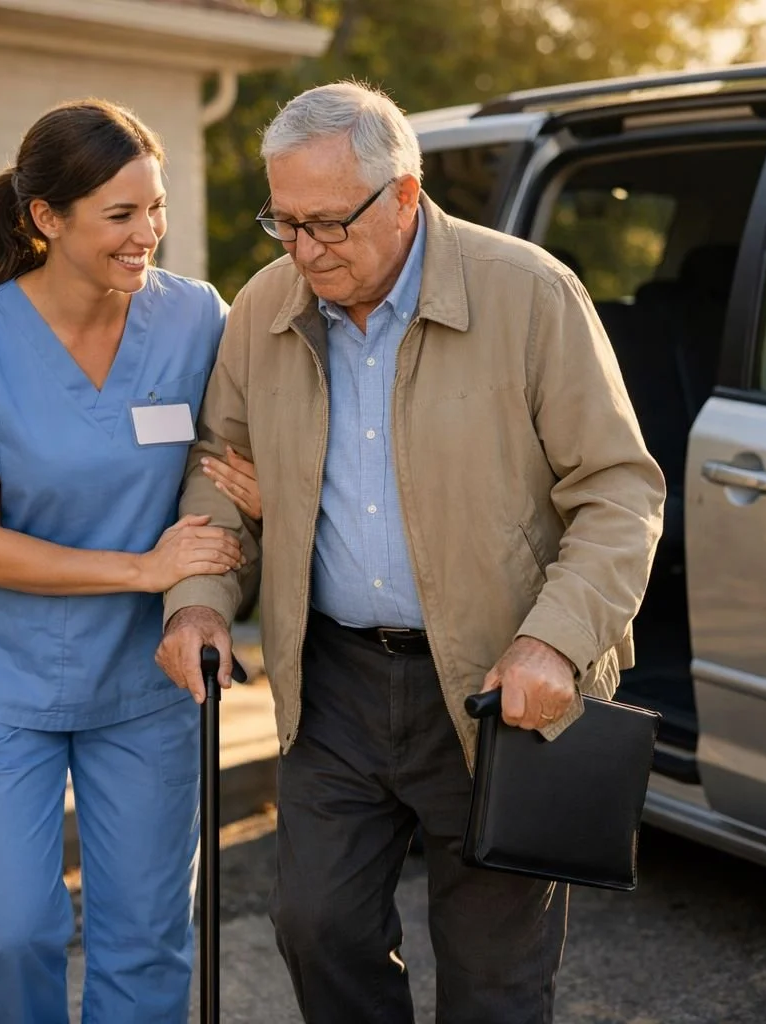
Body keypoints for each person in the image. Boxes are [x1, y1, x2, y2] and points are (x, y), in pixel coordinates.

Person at [157, 82, 665, 1023]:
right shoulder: (266, 309)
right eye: (284, 224)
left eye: (327, 225)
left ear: (402, 195)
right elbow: (217, 481)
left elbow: (619, 492)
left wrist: (554, 640)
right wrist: (196, 600)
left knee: (492, 976)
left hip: (494, 678)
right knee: (317, 928)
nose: (305, 251)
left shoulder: (531, 293)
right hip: (336, 681)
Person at [0, 99, 260, 1024]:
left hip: (143, 686)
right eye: (121, 215)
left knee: (147, 937)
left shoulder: (194, 320)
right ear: (46, 219)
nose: (150, 236)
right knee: (11, 932)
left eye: (157, 208)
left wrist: (261, 488)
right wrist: (144, 568)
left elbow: (236, 445)